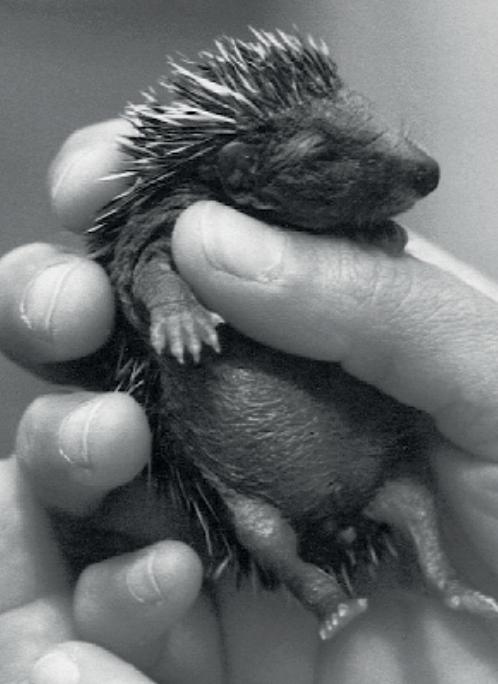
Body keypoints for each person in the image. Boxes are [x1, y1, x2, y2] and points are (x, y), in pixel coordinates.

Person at [1, 119, 498, 683]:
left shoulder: (291, 239)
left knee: (405, 498)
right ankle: (320, 593)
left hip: (365, 456)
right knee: (257, 524)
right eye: (323, 153)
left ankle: (443, 575)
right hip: (252, 475)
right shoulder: (164, 228)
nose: (414, 164)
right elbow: (146, 265)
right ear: (240, 170)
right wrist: (172, 305)